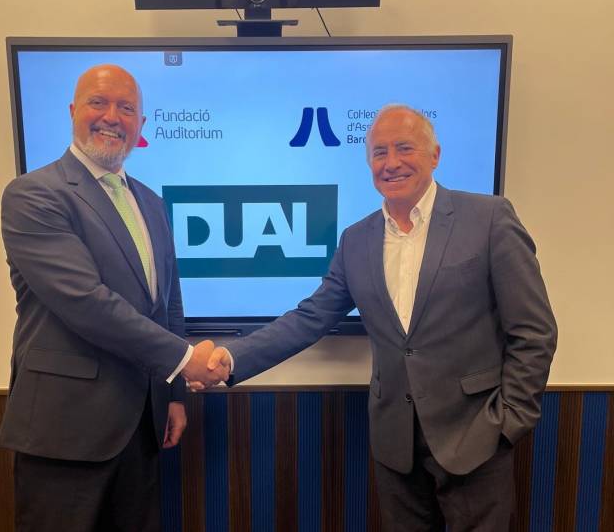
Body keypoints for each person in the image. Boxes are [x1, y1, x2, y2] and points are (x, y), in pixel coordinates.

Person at [202, 105, 557, 531]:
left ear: (434, 155)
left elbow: (534, 331)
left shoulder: (489, 218)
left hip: (478, 436)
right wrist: (231, 357)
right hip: (395, 444)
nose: (391, 163)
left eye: (405, 148)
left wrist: (510, 421)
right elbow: (311, 317)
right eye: (379, 152)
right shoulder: (357, 239)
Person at [0, 64, 226, 531]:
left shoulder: (151, 203)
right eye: (98, 103)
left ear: (141, 123)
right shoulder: (33, 194)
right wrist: (186, 360)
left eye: (126, 108)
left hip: (141, 425)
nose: (111, 117)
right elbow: (85, 301)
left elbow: (168, 303)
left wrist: (173, 394)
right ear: (73, 111)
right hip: (64, 430)